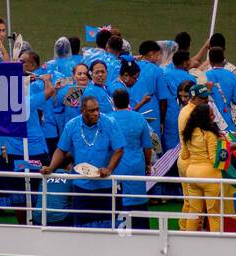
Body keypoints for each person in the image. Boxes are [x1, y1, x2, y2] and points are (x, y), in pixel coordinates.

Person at [42, 96, 124, 229]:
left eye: (97, 109)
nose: (96, 113)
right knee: (81, 227)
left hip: (106, 185)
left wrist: (109, 169)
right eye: (92, 110)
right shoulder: (72, 125)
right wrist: (51, 168)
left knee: (111, 228)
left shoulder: (110, 122)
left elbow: (119, 149)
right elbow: (61, 150)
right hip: (82, 185)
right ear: (82, 111)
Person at [178, 100, 228, 232]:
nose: (214, 117)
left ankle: (189, 239)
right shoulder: (210, 134)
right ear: (205, 117)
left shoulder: (187, 133)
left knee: (193, 212)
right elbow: (213, 159)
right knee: (214, 213)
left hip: (192, 174)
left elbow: (184, 155)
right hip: (209, 175)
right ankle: (216, 242)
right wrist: (225, 148)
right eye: (211, 115)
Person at [109, 87, 153, 229]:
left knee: (119, 203)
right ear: (128, 101)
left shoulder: (108, 119)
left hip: (116, 167)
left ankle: (121, 235)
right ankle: (142, 232)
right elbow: (147, 146)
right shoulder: (139, 118)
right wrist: (147, 165)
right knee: (138, 201)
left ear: (113, 102)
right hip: (136, 166)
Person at [202, 46, 236, 133]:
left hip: (211, 121)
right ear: (223, 59)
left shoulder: (204, 76)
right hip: (228, 121)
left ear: (210, 61)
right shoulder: (233, 76)